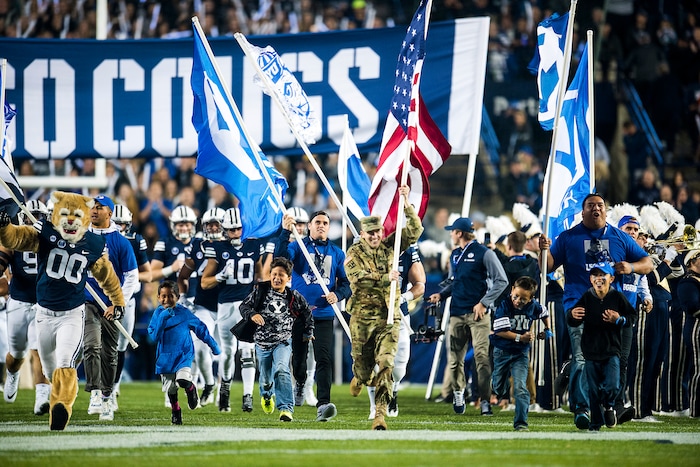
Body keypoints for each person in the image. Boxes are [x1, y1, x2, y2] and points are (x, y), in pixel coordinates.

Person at [0, 191, 126, 431]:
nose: (70, 220)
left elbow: (106, 276)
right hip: (44, 312)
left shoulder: (93, 243)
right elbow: (15, 239)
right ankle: (53, 396)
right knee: (49, 370)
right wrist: (4, 228)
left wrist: (117, 301)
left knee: (66, 363)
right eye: (65, 215)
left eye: (76, 215)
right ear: (56, 214)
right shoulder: (45, 234)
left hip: (72, 313)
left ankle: (62, 408)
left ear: (86, 217)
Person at [538, 193, 652, 429]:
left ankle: (609, 405)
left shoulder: (620, 237)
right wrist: (544, 252)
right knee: (582, 359)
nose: (596, 209)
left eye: (600, 205)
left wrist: (631, 266)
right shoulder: (568, 237)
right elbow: (547, 267)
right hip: (578, 307)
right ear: (583, 212)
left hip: (611, 312)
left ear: (606, 211)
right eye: (591, 206)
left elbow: (648, 263)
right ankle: (582, 409)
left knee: (614, 362)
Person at [345, 185, 423, 430]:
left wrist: (407, 202)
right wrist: (383, 278)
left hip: (388, 316)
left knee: (387, 363)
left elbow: (415, 230)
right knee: (365, 367)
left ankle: (380, 413)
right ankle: (360, 377)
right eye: (370, 233)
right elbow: (355, 276)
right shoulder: (354, 252)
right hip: (361, 317)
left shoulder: (391, 246)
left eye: (377, 232)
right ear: (362, 233)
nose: (375, 236)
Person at [275, 208, 351, 422]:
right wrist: (284, 233)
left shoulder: (337, 253)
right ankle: (300, 383)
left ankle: (323, 403)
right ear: (309, 226)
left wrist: (338, 294)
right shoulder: (298, 247)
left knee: (324, 358)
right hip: (299, 312)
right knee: (299, 359)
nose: (321, 225)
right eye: (317, 222)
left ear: (329, 226)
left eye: (325, 223)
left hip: (324, 314)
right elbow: (280, 261)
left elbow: (346, 284)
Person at [428, 216, 508, 417]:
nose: (451, 234)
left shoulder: (485, 253)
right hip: (456, 312)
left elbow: (501, 281)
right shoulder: (455, 255)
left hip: (478, 315)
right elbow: (455, 281)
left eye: (452, 231)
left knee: (481, 358)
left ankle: (484, 400)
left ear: (459, 233)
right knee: (455, 359)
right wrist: (442, 294)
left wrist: (484, 302)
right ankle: (458, 392)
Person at [200, 207, 268, 413]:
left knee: (247, 352)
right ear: (224, 230)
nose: (235, 233)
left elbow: (260, 276)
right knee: (228, 353)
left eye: (238, 229)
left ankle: (248, 396)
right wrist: (220, 276)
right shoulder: (218, 249)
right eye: (231, 230)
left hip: (246, 306)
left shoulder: (255, 245)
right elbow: (205, 282)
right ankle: (225, 392)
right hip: (226, 307)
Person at [83, 195, 139, 422]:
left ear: (110, 213)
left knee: (110, 353)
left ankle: (107, 396)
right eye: (92, 207)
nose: (94, 211)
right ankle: (95, 392)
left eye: (99, 207)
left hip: (111, 304)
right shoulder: (81, 237)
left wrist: (118, 302)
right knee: (91, 344)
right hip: (88, 301)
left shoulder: (121, 242)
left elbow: (132, 276)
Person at [240, 257, 314, 422]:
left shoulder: (293, 296)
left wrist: (308, 331)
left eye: (281, 275)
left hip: (283, 341)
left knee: (282, 369)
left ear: (289, 278)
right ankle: (267, 395)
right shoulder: (260, 292)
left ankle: (286, 409)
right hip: (262, 343)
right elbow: (243, 306)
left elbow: (306, 312)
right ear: (270, 275)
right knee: (266, 379)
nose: (277, 278)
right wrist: (252, 314)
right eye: (274, 274)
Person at [567, 264, 637, 431]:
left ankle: (609, 406)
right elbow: (573, 318)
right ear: (591, 280)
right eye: (595, 275)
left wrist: (620, 319)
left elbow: (632, 316)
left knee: (613, 385)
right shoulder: (586, 297)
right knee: (592, 389)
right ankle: (595, 424)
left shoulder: (617, 297)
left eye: (603, 275)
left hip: (611, 349)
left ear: (611, 279)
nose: (599, 278)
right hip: (591, 351)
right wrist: (571, 315)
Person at [1, 201, 52, 415]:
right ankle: (12, 374)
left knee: (40, 350)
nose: (34, 219)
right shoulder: (14, 240)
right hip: (19, 301)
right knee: (17, 353)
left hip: (43, 303)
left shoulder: (51, 239)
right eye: (31, 215)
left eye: (38, 215)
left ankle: (42, 397)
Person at [147, 280, 221, 425]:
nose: (167, 299)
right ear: (158, 297)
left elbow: (201, 329)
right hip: (165, 357)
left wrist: (213, 346)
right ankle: (176, 411)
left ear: (178, 297)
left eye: (170, 296)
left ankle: (191, 388)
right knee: (171, 389)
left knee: (182, 380)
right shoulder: (158, 314)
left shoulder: (184, 313)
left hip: (183, 355)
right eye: (163, 296)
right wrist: (163, 318)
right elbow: (154, 336)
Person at [367, 244, 426, 419]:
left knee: (400, 361)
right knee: (370, 360)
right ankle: (374, 405)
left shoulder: (407, 252)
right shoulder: (366, 249)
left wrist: (403, 298)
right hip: (371, 312)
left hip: (398, 313)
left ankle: (394, 388)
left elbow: (420, 284)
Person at [176, 207, 225, 406]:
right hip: (204, 304)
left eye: (217, 223)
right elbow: (182, 276)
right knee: (200, 348)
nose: (213, 228)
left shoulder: (233, 245)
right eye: (209, 224)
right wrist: (184, 297)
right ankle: (209, 383)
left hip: (227, 305)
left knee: (226, 353)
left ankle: (225, 391)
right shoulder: (198, 246)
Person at [491, 276, 551, 431]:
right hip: (502, 350)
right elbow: (500, 332)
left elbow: (544, 313)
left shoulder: (534, 306)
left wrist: (547, 329)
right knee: (499, 388)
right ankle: (499, 388)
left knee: (520, 388)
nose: (518, 301)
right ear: (512, 290)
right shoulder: (504, 304)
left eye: (523, 299)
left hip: (520, 354)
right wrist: (521, 337)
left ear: (531, 299)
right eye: (516, 296)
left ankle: (521, 422)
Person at [111, 204, 152, 409]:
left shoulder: (135, 240)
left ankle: (114, 386)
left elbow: (148, 274)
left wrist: (134, 280)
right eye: (115, 223)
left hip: (127, 300)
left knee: (120, 346)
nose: (119, 228)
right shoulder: (99, 237)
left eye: (122, 224)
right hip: (103, 298)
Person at [278, 206, 318, 407]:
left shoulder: (312, 247)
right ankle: (283, 386)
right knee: (281, 346)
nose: (298, 228)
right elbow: (278, 262)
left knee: (308, 346)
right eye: (295, 224)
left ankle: (306, 385)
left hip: (305, 305)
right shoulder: (283, 243)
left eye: (301, 224)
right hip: (283, 305)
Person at [677, 249, 700, 418]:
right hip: (697, 327)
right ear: (691, 261)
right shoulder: (687, 282)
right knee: (699, 369)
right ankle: (696, 409)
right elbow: (692, 306)